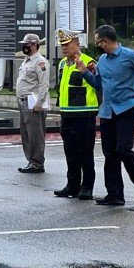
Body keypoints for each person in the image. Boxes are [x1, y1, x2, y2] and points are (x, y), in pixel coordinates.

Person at [75, 24, 134, 205]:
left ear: (106, 41)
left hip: (126, 109)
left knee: (123, 149)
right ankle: (115, 195)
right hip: (107, 111)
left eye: (98, 42)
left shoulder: (130, 56)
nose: (97, 45)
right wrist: (84, 71)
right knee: (110, 153)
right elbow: (98, 84)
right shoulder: (102, 60)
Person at [54, 30, 99, 200]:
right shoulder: (62, 64)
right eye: (62, 45)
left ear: (77, 44)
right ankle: (72, 185)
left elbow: (97, 85)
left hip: (84, 114)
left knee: (85, 153)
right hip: (67, 114)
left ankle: (87, 187)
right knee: (70, 153)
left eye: (67, 44)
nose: (64, 48)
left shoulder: (88, 62)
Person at [16, 33, 49, 174]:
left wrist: (39, 103)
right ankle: (31, 161)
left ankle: (37, 163)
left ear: (35, 45)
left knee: (35, 134)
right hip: (24, 101)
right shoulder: (27, 61)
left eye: (27, 45)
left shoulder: (40, 62)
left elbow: (44, 84)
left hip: (33, 102)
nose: (25, 47)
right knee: (26, 133)